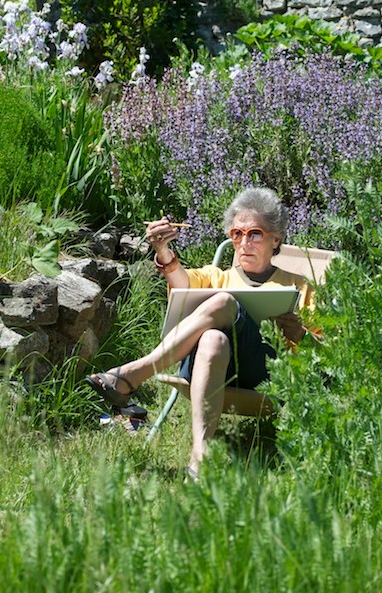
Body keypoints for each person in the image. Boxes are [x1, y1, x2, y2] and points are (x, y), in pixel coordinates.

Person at [87, 187, 315, 478]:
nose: (244, 242)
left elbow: (326, 353)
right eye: (236, 234)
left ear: (276, 239)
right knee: (212, 338)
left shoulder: (299, 286)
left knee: (221, 300)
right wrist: (162, 250)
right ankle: (201, 458)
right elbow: (180, 283)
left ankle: (134, 374)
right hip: (210, 364)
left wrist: (301, 334)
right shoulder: (216, 276)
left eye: (255, 233)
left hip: (267, 374)